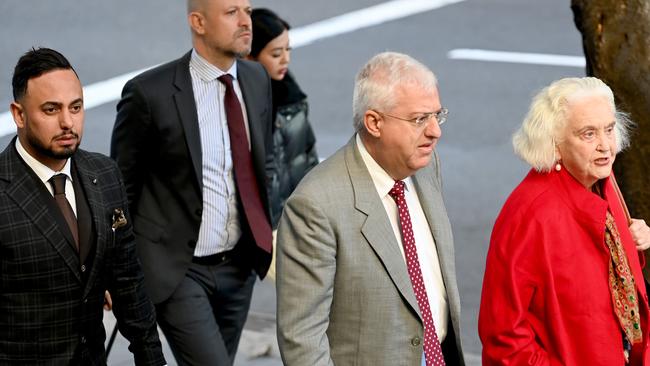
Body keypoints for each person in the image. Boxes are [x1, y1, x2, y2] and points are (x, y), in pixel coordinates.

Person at [110, 0, 274, 364]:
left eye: (247, 11)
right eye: (232, 13)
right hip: (180, 269)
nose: (246, 21)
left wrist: (267, 226)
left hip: (240, 266)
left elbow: (264, 162)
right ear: (198, 22)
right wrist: (116, 270)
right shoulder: (149, 94)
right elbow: (119, 189)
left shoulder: (257, 79)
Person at [276, 51, 465, 366]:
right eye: (420, 119)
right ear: (374, 122)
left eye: (437, 115)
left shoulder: (425, 166)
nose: (435, 131)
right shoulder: (316, 204)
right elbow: (303, 341)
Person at [0, 47, 165, 365]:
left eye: (76, 107)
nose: (67, 122)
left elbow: (128, 279)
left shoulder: (104, 173)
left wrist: (151, 358)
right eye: (51, 110)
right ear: (19, 114)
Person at [479, 77, 650, 365]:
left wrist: (635, 244)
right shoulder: (531, 215)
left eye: (609, 129)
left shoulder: (601, 179)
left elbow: (595, 276)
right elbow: (504, 337)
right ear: (555, 144)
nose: (605, 146)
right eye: (588, 134)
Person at [247, 8, 319, 229]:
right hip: (262, 230)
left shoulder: (293, 95)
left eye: (288, 50)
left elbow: (308, 156)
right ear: (250, 56)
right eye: (276, 54)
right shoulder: (242, 104)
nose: (285, 60)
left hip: (298, 222)